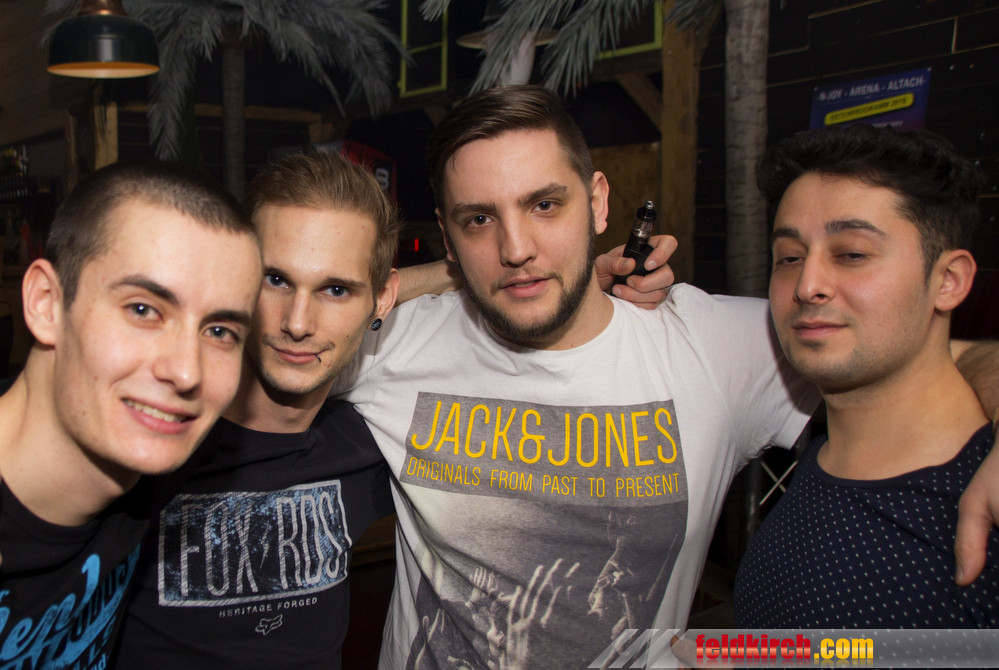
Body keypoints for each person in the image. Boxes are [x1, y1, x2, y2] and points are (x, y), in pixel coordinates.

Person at [111, 149, 676, 669]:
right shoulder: (150, 435)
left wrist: (568, 284)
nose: (298, 322)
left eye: (335, 290)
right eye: (276, 279)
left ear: (381, 296)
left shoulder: (372, 435)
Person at [330, 84, 822, 669]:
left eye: (545, 205)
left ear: (597, 202)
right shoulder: (396, 344)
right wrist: (450, 272)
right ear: (448, 235)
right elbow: (263, 323)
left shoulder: (709, 347)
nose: (517, 248)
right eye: (479, 219)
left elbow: (904, 354)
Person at [733, 124, 999, 628]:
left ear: (947, 281)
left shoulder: (982, 499)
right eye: (789, 257)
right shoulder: (824, 464)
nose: (807, 285)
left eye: (852, 254)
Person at [0, 159, 262, 669]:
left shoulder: (153, 451)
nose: (186, 372)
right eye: (143, 310)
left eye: (220, 332)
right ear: (47, 304)